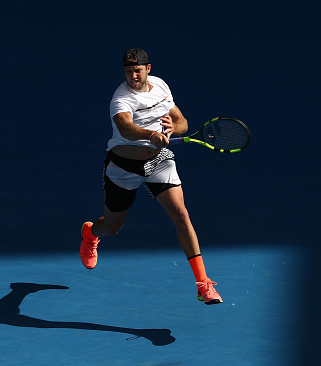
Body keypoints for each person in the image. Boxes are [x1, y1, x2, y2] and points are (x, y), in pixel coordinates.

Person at [79, 48, 222, 305]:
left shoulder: (160, 86)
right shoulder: (121, 98)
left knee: (181, 215)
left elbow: (182, 122)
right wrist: (150, 135)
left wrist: (172, 129)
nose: (132, 76)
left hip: (158, 161)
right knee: (112, 228)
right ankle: (91, 233)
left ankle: (203, 284)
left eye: (137, 70)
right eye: (127, 71)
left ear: (148, 68)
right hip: (123, 166)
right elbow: (125, 127)